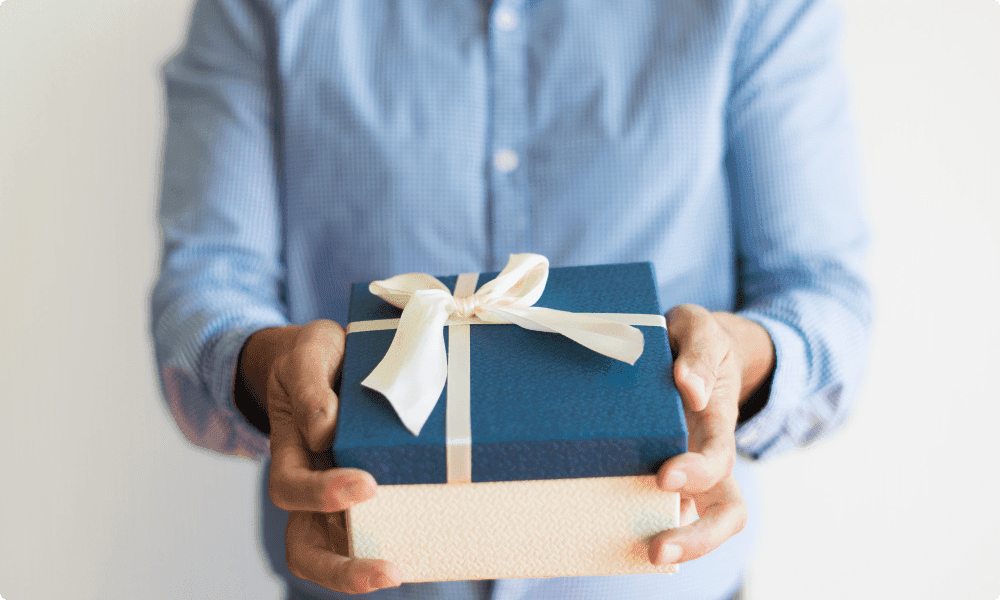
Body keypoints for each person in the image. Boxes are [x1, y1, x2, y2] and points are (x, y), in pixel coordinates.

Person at [151, 0, 871, 598]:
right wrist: (258, 370)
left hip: (666, 576)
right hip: (365, 573)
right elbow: (208, 282)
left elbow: (821, 291)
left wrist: (738, 366)